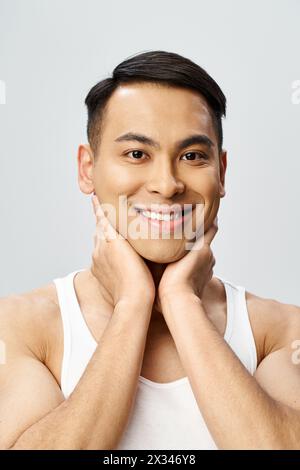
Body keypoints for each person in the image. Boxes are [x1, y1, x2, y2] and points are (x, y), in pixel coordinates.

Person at [1, 50, 300, 450]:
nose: (167, 183)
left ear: (222, 172)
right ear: (87, 169)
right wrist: (132, 303)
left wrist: (180, 301)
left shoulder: (278, 331)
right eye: (137, 154)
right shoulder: (23, 326)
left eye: (192, 156)